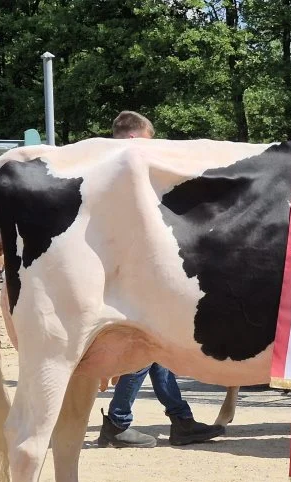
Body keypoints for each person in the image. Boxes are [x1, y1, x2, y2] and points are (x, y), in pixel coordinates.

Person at [97, 110, 223, 448]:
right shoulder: (123, 170)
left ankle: (179, 419)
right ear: (136, 139)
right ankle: (119, 422)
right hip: (134, 274)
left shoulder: (105, 169)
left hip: (127, 272)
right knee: (147, 347)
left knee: (157, 350)